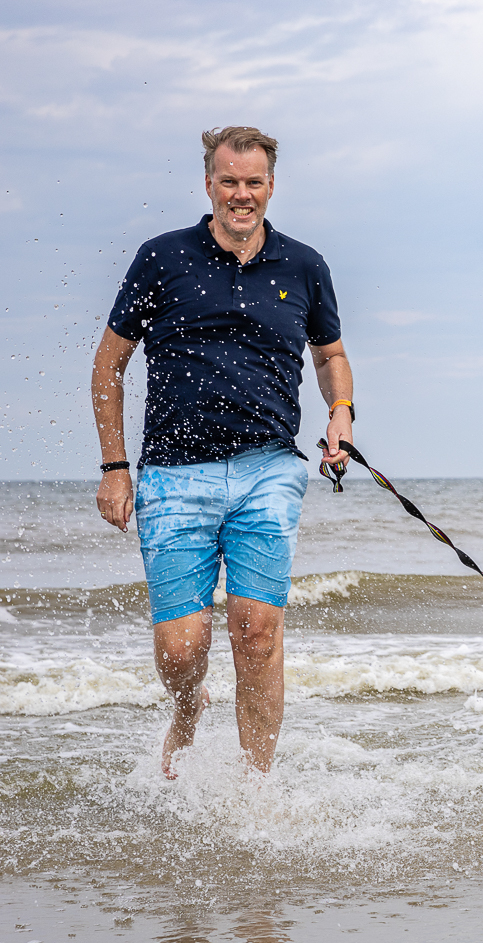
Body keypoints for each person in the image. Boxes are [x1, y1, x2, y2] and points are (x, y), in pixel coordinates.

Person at [91, 126, 355, 777]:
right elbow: (108, 367)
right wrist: (116, 468)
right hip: (174, 477)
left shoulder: (303, 264)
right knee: (182, 649)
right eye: (229, 181)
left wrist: (340, 417)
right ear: (210, 183)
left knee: (256, 632)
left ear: (271, 185)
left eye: (254, 182)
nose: (242, 194)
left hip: (269, 469)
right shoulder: (162, 258)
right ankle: (188, 704)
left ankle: (255, 788)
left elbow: (331, 356)